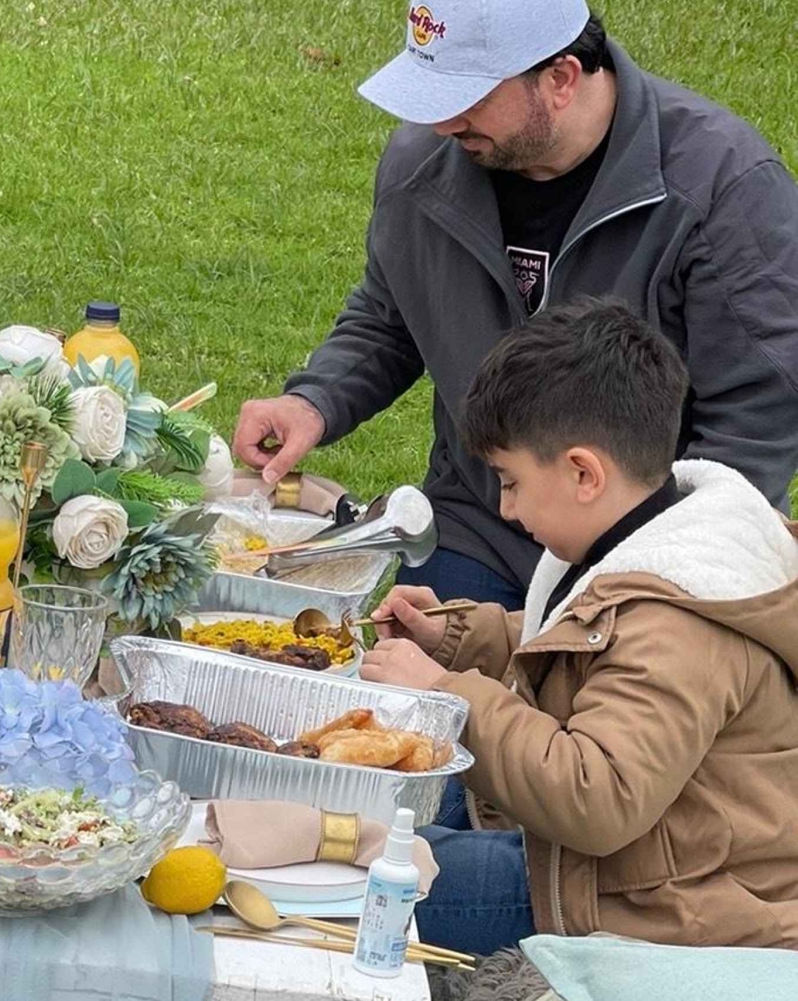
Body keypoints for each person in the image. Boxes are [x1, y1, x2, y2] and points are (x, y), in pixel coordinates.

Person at [233, 1, 798, 610]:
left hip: (653, 545)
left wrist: (669, 557)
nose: (443, 122)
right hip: (482, 522)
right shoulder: (419, 162)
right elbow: (389, 318)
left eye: (467, 96)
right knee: (423, 690)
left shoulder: (723, 185)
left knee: (608, 706)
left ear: (559, 78)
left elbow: (759, 411)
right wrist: (313, 402)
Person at [359, 299, 798, 954]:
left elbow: (596, 796)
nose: (505, 507)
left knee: (367, 874)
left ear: (583, 472)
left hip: (667, 918)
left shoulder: (676, 626)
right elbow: (579, 640)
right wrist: (449, 636)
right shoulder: (652, 527)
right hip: (620, 873)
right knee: (382, 810)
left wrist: (449, 694)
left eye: (510, 481)